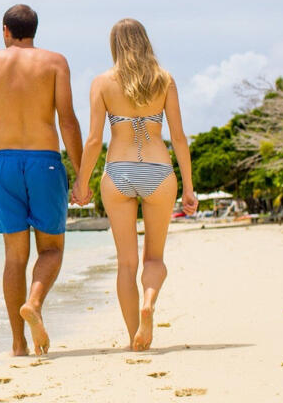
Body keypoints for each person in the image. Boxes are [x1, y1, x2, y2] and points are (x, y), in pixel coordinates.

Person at [71, 18, 197, 351]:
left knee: (127, 263)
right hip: (158, 170)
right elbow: (180, 138)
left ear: (114, 45)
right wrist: (188, 187)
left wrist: (81, 183)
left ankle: (133, 340)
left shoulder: (101, 83)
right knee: (154, 259)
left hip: (118, 172)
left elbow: (94, 140)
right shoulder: (164, 80)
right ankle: (149, 303)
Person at [0, 4, 83, 356]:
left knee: (14, 258)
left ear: (5, 30)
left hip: (4, 163)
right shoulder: (55, 62)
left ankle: (18, 345)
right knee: (51, 249)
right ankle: (33, 302)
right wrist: (81, 174)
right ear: (35, 29)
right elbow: (68, 121)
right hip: (44, 162)